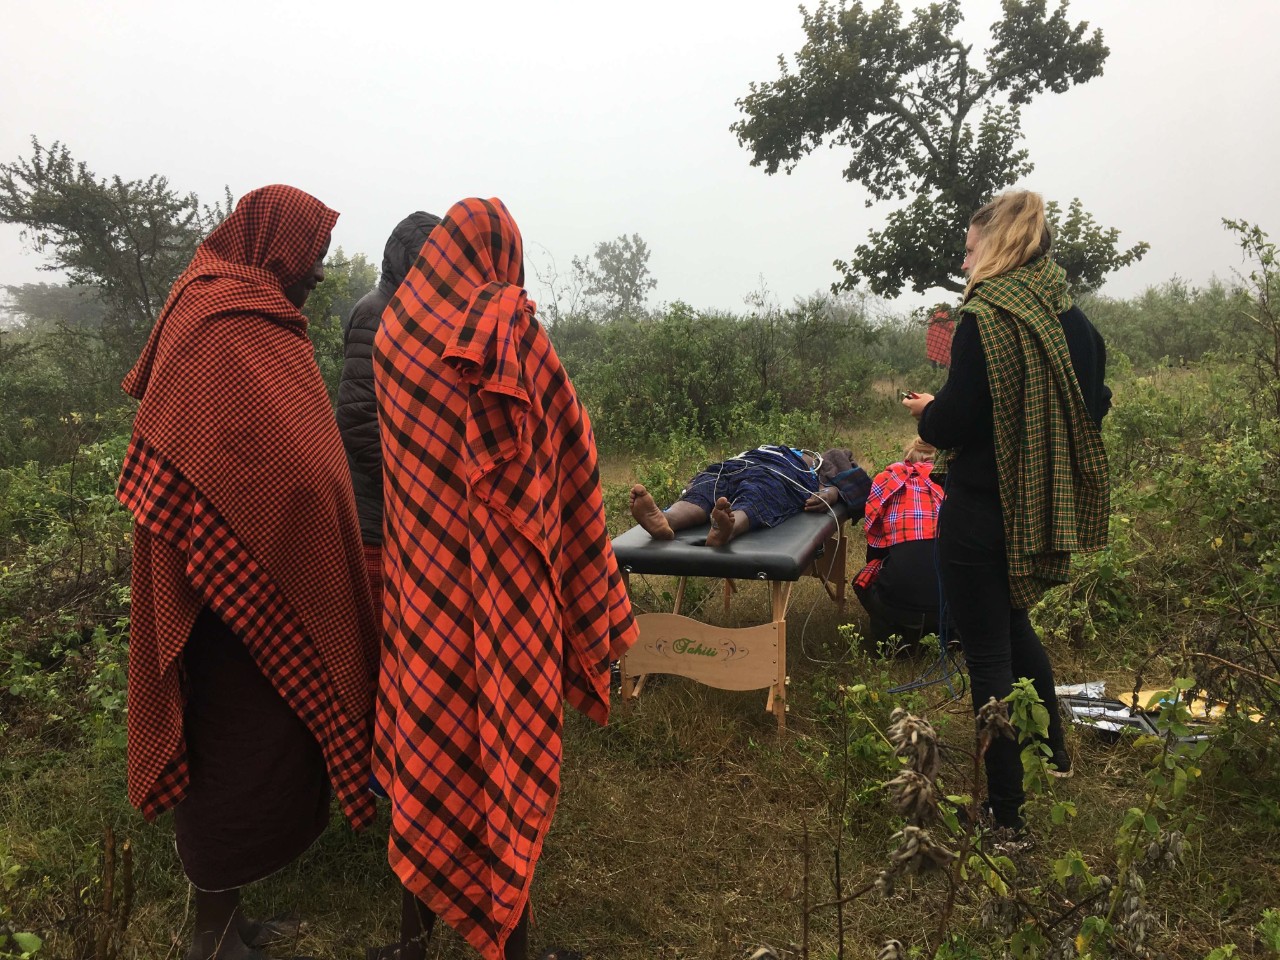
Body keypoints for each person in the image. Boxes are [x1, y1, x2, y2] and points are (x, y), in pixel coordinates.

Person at [116, 185, 380, 960]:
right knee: (223, 749)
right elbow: (209, 452)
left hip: (264, 580)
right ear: (275, 246)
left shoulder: (264, 318)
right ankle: (209, 933)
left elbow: (294, 455)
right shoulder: (214, 321)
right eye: (313, 260)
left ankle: (234, 919)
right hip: (218, 592)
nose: (317, 278)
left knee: (267, 749)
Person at [372, 197, 637, 960]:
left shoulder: (393, 336)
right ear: (500, 255)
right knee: (502, 767)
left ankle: (411, 944)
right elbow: (570, 443)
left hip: (421, 595)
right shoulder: (505, 332)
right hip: (502, 596)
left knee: (427, 760)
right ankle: (512, 951)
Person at [903, 189, 1110, 831]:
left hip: (977, 509)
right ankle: (1054, 753)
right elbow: (1094, 403)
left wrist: (925, 413)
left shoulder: (984, 319)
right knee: (1015, 628)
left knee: (987, 651)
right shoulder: (1070, 320)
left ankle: (1005, 813)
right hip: (1036, 507)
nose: (965, 265)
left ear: (997, 245)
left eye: (969, 250)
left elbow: (958, 418)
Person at [336, 211, 441, 609]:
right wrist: (420, 489)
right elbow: (359, 421)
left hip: (398, 517)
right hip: (377, 521)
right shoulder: (378, 312)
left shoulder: (411, 315)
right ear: (404, 262)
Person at [629, 446, 872, 546]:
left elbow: (857, 483)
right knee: (707, 486)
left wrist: (831, 492)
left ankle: (727, 526)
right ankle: (666, 520)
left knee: (758, 491)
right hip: (740, 463)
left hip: (780, 471)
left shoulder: (819, 461)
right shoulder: (768, 449)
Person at [852, 437, 945, 650]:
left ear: (908, 459)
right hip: (951, 599)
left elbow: (875, 549)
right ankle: (949, 632)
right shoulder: (949, 483)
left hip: (900, 600)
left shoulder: (888, 481)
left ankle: (890, 638)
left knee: (864, 578)